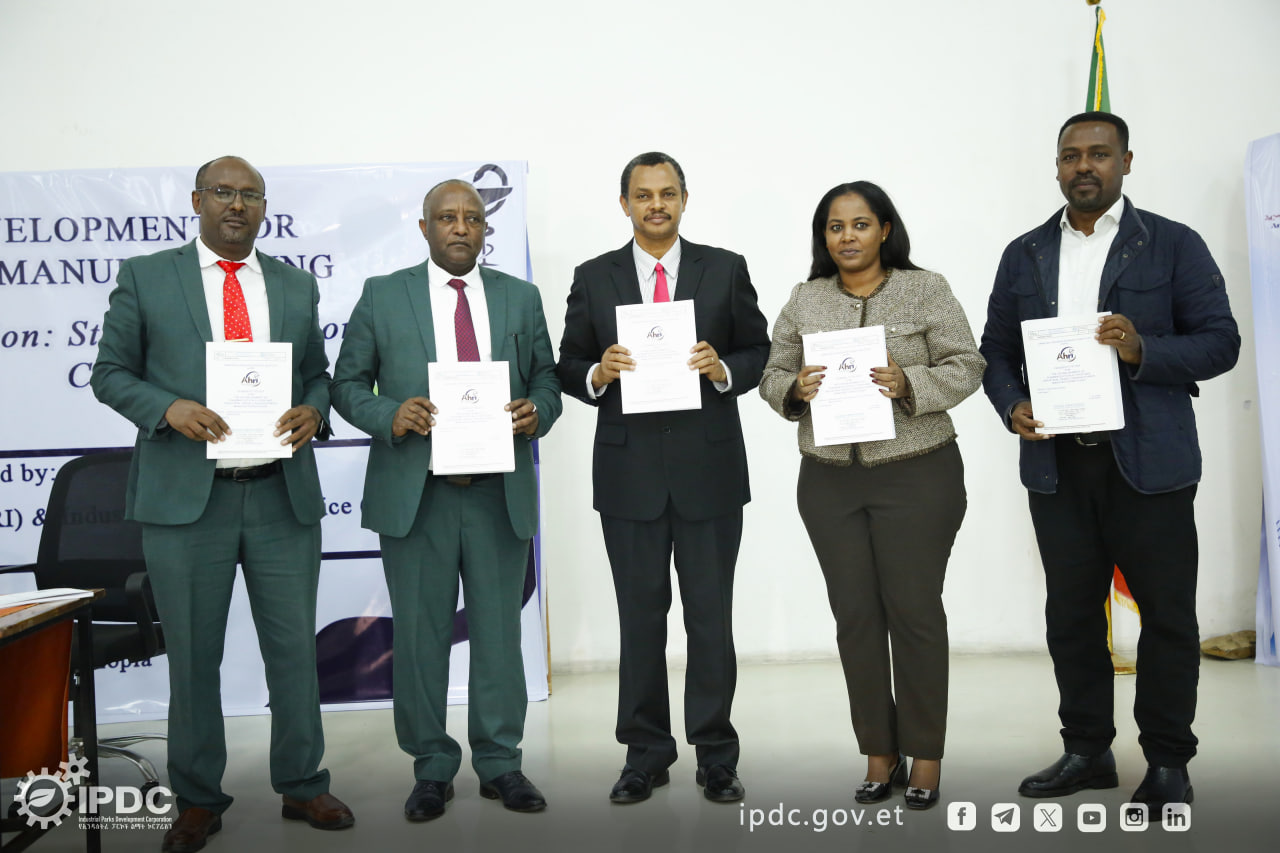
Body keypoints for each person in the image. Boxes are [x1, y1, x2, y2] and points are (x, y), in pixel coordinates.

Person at [91, 156, 354, 853]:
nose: (237, 205)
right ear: (197, 201)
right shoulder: (148, 276)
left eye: (250, 195)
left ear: (264, 207)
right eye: (223, 193)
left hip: (279, 494)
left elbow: (317, 376)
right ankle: (198, 799)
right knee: (193, 657)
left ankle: (302, 782)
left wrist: (314, 410)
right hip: (187, 505)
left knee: (294, 651)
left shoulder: (294, 284)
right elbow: (108, 373)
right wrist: (167, 407)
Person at [979, 112, 1240, 816]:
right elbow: (995, 349)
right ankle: (1088, 750)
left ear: (1127, 161)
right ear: (1056, 166)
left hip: (1149, 465)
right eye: (1071, 155)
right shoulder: (1025, 252)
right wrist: (1011, 404)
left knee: (1167, 618)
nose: (1084, 166)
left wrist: (1142, 348)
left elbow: (1220, 342)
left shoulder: (1173, 244)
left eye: (1099, 153)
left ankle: (1167, 761)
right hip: (1058, 466)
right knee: (1070, 615)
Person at [330, 179, 561, 821]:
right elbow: (346, 385)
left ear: (485, 229)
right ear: (425, 228)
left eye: (472, 218)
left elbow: (547, 379)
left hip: (497, 493)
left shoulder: (519, 297)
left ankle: (501, 763)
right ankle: (431, 767)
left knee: (498, 636)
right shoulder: (383, 295)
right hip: (418, 495)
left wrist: (537, 410)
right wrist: (389, 414)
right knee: (420, 638)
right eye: (447, 217)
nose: (461, 227)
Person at [758, 181, 984, 811]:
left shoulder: (925, 288)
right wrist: (795, 389)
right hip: (829, 480)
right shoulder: (806, 298)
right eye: (835, 227)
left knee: (914, 612)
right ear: (823, 237)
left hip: (916, 474)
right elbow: (772, 373)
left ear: (885, 229)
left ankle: (926, 754)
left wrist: (908, 382)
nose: (847, 237)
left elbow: (968, 364)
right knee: (855, 618)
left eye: (860, 224)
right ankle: (878, 753)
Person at [557, 152, 770, 804]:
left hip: (709, 472)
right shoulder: (594, 276)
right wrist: (599, 373)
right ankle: (645, 754)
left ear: (684, 199)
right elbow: (567, 363)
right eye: (644, 195)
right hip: (629, 476)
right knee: (640, 620)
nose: (656, 205)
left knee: (710, 618)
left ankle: (717, 755)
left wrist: (722, 368)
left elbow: (759, 350)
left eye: (668, 193)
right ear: (624, 203)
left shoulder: (724, 268)